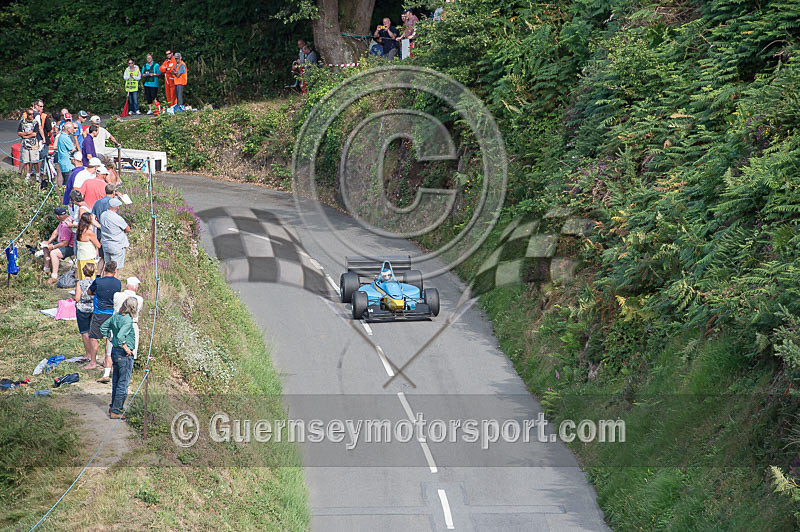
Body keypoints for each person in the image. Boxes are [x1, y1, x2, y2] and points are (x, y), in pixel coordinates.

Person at [99, 296, 138, 417]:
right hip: (123, 353)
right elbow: (121, 336)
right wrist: (126, 348)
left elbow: (103, 327)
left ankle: (113, 407)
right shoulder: (127, 319)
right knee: (123, 383)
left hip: (115, 351)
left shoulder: (116, 316)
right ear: (133, 308)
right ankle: (116, 411)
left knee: (116, 381)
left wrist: (110, 338)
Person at [87, 260, 121, 381]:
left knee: (93, 336)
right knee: (109, 339)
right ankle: (108, 363)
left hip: (99, 312)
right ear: (115, 271)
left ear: (104, 270)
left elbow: (89, 292)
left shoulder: (98, 281)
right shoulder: (118, 283)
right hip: (112, 313)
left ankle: (93, 361)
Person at [105, 277, 144, 363]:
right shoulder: (139, 299)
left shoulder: (117, 295)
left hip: (116, 323)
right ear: (136, 287)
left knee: (111, 348)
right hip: (131, 324)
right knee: (130, 350)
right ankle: (126, 370)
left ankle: (107, 372)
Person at [42, 207, 75, 284]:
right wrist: (48, 242)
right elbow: (56, 231)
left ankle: (54, 276)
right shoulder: (63, 221)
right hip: (62, 244)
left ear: (57, 216)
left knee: (54, 253)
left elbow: (65, 243)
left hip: (70, 247)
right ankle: (46, 270)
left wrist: (53, 247)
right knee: (45, 246)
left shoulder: (66, 225)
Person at [74, 262, 97, 363]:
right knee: (93, 333)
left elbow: (77, 298)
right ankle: (94, 354)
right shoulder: (96, 283)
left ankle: (88, 353)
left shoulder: (80, 283)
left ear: (83, 272)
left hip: (82, 309)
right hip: (93, 308)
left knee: (84, 332)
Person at [100, 198, 131, 270]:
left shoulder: (103, 215)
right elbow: (128, 229)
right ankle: (114, 281)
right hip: (117, 246)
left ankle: (106, 280)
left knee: (107, 268)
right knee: (115, 269)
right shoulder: (117, 218)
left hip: (106, 244)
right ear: (117, 207)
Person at [75, 211, 101, 281]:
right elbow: (98, 245)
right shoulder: (89, 232)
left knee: (82, 279)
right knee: (90, 279)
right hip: (88, 257)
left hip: (80, 256)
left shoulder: (79, 230)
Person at [17, 108, 41, 181]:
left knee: (35, 160)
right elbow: (19, 132)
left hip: (33, 144)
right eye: (30, 114)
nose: (31, 116)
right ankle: (28, 174)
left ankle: (37, 175)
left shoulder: (35, 122)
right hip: (25, 144)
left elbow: (34, 134)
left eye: (32, 114)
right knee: (26, 160)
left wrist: (25, 136)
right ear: (27, 114)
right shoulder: (23, 122)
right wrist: (26, 134)